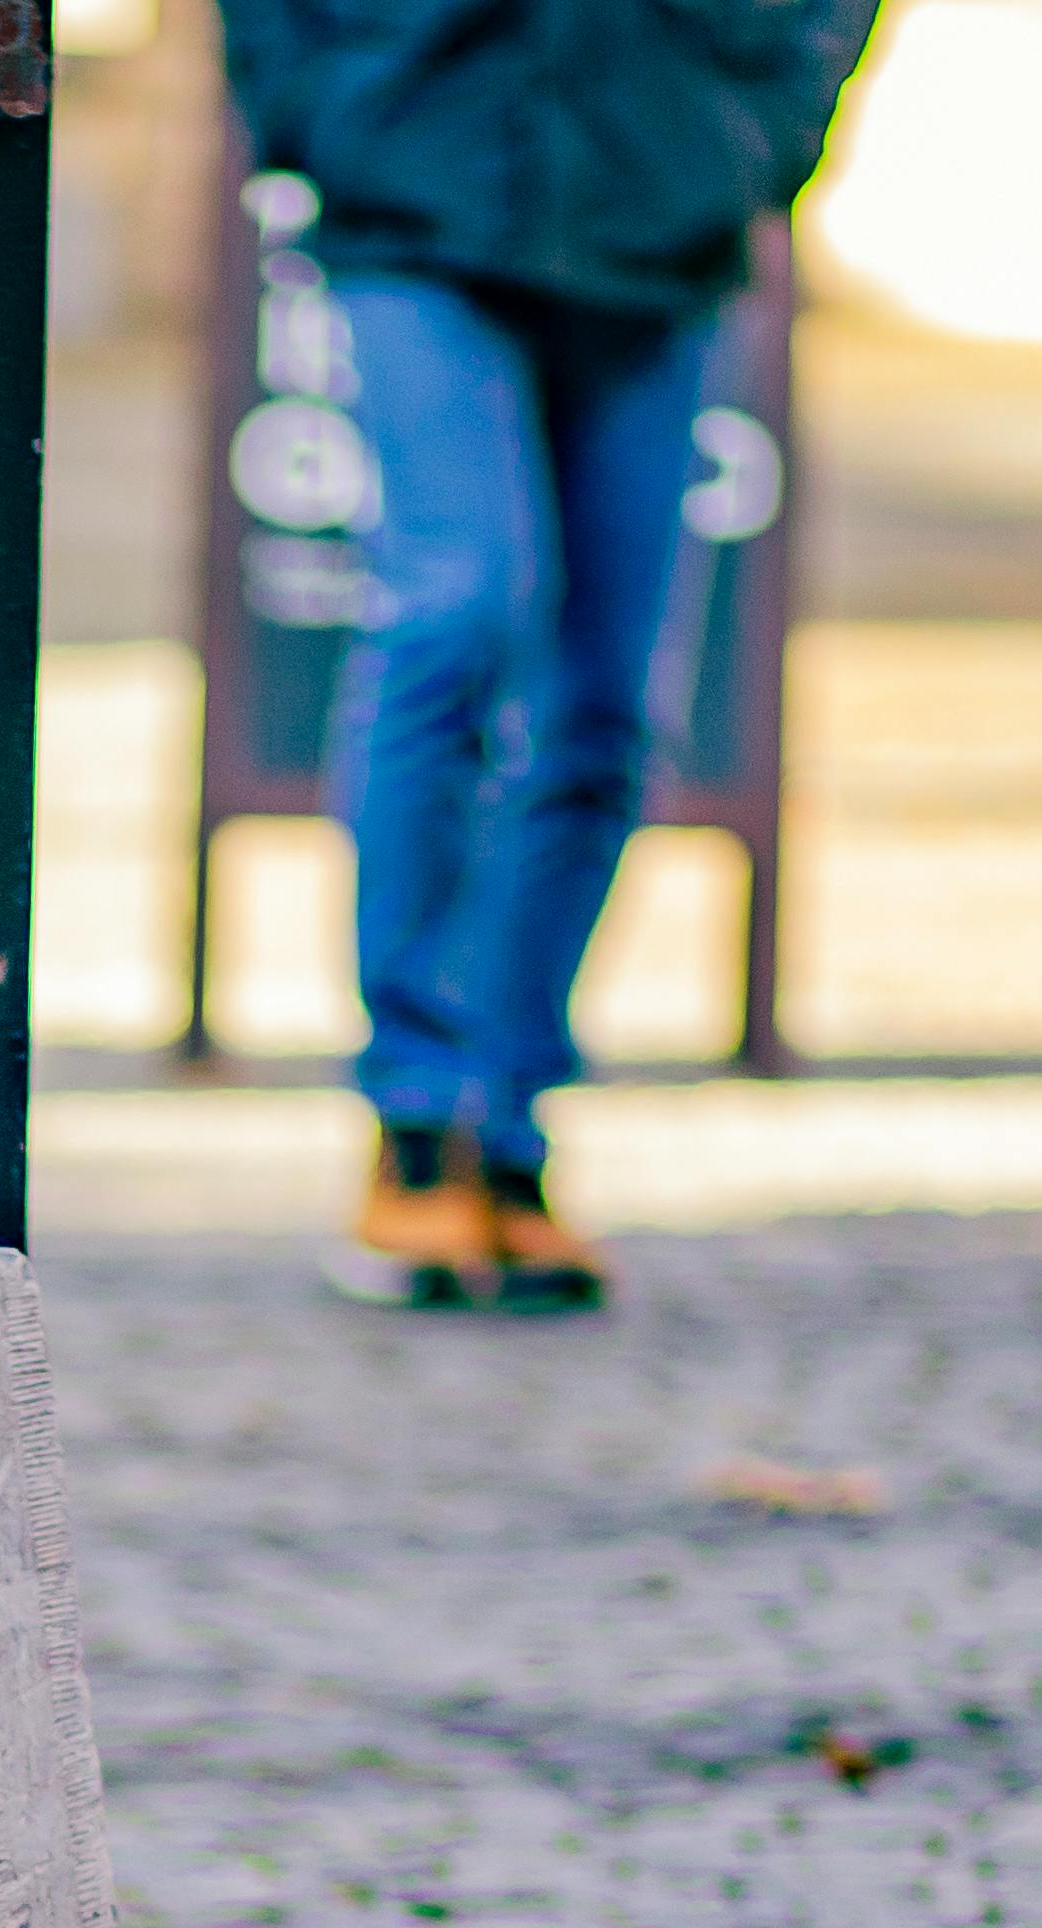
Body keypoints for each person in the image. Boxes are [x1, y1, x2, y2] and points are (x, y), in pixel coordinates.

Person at [221, 0, 884, 1309]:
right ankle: (414, 1117)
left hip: (663, 207)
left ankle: (514, 1131)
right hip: (416, 188)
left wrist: (759, 134)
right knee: (458, 607)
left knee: (609, 708)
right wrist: (320, 107)